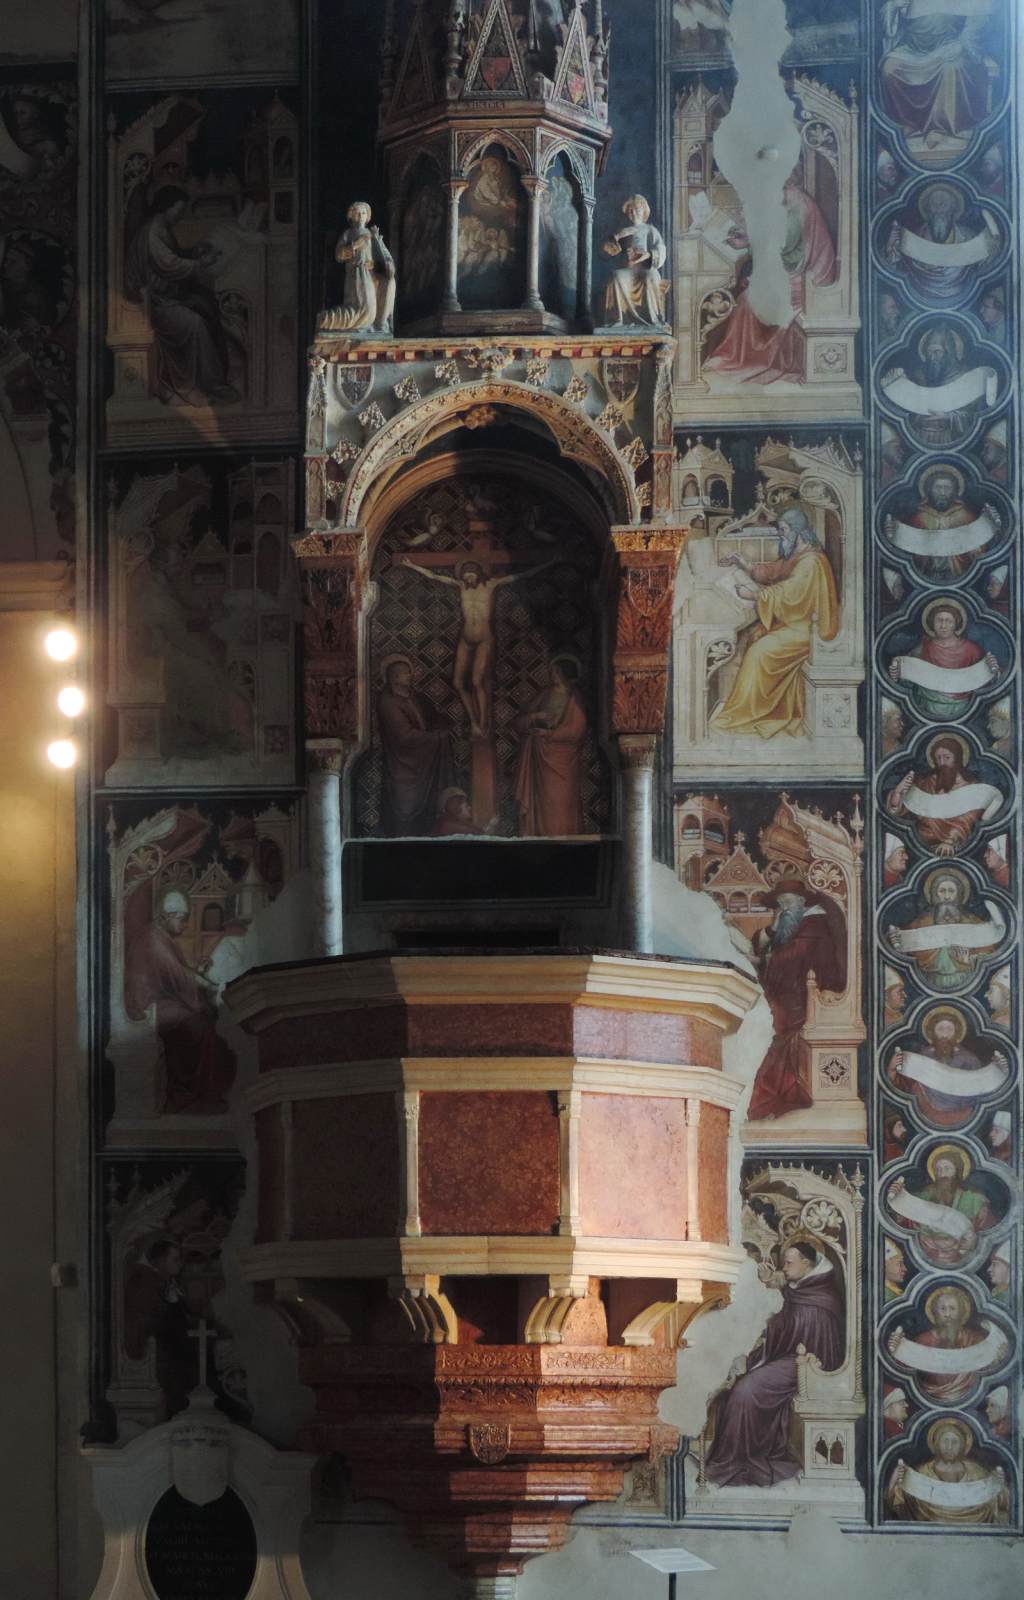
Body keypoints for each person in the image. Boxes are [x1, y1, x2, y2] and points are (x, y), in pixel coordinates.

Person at [704, 1241, 844, 1487]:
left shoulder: (819, 1297)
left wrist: (766, 1325)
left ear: (807, 1263)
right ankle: (730, 1455)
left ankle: (736, 1460)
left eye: (789, 1263)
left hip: (806, 1366)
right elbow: (785, 1309)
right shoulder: (801, 1286)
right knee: (733, 1377)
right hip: (787, 1356)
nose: (785, 1268)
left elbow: (800, 1335)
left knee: (745, 1392)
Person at [711, 507, 839, 739]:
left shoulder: (811, 561)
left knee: (759, 652)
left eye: (783, 530)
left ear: (798, 531)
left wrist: (755, 596)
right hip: (794, 624)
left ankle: (748, 713)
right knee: (756, 636)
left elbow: (790, 593)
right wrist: (745, 565)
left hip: (809, 632)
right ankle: (755, 709)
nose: (781, 535)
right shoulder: (797, 555)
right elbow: (773, 571)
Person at [704, 178, 836, 385]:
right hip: (794, 272)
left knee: (748, 301)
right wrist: (749, 240)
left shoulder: (799, 205)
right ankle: (734, 356)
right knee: (746, 292)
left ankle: (744, 360)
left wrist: (751, 243)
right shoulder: (785, 200)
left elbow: (787, 251)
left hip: (810, 279)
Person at [403, 555, 553, 736]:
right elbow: (434, 576)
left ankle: (482, 724)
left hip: (484, 639)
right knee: (457, 682)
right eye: (465, 575)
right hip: (465, 639)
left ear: (479, 573)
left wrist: (548, 562)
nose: (468, 578)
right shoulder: (460, 586)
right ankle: (473, 722)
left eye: (471, 574)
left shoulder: (490, 585)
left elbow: (521, 575)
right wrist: (411, 565)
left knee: (476, 681)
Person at [124, 186, 240, 406]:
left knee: (207, 307)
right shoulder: (153, 231)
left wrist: (193, 251)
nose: (180, 215)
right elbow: (170, 265)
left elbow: (172, 257)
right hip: (154, 304)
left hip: (167, 298)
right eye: (178, 210)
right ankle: (206, 385)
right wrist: (200, 263)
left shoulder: (160, 227)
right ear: (166, 208)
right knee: (195, 324)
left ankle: (214, 380)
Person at [123, 888, 236, 1114]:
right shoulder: (153, 940)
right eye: (182, 919)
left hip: (160, 1003)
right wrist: (211, 989)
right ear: (167, 916)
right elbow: (179, 978)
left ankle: (196, 1093)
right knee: (198, 1027)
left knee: (199, 1020)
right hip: (148, 1009)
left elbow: (178, 974)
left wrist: (198, 973)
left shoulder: (157, 936)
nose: (185, 925)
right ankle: (188, 1096)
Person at [747, 879, 846, 1121]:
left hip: (807, 1002)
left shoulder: (813, 924)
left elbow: (790, 958)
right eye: (780, 905)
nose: (784, 910)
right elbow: (771, 944)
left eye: (788, 903)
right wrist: (773, 929)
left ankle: (781, 1096)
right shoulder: (795, 923)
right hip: (793, 997)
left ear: (802, 902)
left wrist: (767, 961)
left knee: (780, 1043)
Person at [879, 1, 996, 149]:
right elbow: (890, 27)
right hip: (912, 46)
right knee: (889, 69)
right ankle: (907, 123)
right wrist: (893, 6)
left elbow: (979, 18)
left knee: (951, 68)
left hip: (948, 43)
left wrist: (961, 44)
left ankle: (940, 128)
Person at [889, 1005, 1007, 1129]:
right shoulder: (922, 1057)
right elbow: (902, 1086)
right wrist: (892, 1068)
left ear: (956, 1032)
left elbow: (982, 1088)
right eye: (940, 1029)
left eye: (949, 1029)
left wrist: (999, 1071)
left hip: (963, 1116)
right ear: (932, 1032)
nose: (945, 1034)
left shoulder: (969, 1059)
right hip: (925, 1117)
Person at [888, 868, 1002, 993]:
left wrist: (970, 959)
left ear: (959, 894)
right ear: (934, 894)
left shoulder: (973, 922)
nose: (947, 897)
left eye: (951, 891)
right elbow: (903, 948)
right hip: (928, 983)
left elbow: (989, 950)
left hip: (967, 982)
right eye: (942, 891)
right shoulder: (920, 923)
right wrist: (896, 938)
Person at [376, 655, 453, 837]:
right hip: (403, 765)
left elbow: (431, 718)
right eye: (405, 672)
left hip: (422, 762)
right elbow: (404, 736)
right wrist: (435, 738)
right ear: (394, 677)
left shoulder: (414, 697)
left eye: (410, 671)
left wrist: (440, 726)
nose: (410, 675)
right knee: (404, 811)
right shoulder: (388, 702)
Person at [886, 735, 999, 856]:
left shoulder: (972, 788)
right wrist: (898, 792)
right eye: (938, 758)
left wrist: (950, 840)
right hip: (918, 845)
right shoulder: (925, 783)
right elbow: (899, 812)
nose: (942, 763)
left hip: (954, 845)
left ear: (958, 758)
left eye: (947, 757)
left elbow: (967, 820)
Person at [514, 656, 588, 837]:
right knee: (542, 802)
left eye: (556, 672)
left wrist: (549, 734)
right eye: (551, 672)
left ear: (566, 673)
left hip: (563, 760)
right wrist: (535, 717)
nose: (553, 675)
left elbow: (576, 730)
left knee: (559, 804)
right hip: (540, 756)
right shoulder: (545, 694)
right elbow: (519, 723)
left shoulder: (574, 697)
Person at [888, 1285, 999, 1406]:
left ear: (962, 1312)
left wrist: (997, 1358)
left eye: (952, 1308)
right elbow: (906, 1367)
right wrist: (896, 1350)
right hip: (928, 1400)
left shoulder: (975, 1340)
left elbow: (988, 1368)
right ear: (934, 1312)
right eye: (942, 1308)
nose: (947, 1314)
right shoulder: (922, 1340)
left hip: (969, 1400)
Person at [889, 599, 999, 720]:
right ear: (932, 623)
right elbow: (907, 679)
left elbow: (985, 681)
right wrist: (897, 674)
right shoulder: (922, 648)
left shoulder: (972, 650)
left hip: (962, 709)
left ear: (956, 623)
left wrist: (992, 671)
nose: (943, 626)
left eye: (949, 621)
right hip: (926, 707)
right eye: (939, 620)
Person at [887, 1145, 994, 1267]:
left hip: (966, 1261)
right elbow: (904, 1220)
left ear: (958, 1171)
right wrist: (897, 1198)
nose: (942, 1174)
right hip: (924, 1258)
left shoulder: (975, 1200)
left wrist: (973, 1241)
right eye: (938, 1169)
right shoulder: (922, 1197)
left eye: (947, 1168)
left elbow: (987, 1232)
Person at [885, 185, 996, 303]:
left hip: (961, 299)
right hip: (922, 298)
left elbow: (985, 266)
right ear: (927, 210)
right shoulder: (914, 239)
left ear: (954, 210)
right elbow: (895, 267)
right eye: (935, 203)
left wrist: (992, 248)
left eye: (944, 203)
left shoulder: (969, 237)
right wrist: (891, 249)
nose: (939, 208)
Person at [887, 1420, 1008, 1525]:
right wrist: (897, 1481)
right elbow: (901, 1508)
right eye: (945, 1441)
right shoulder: (923, 1472)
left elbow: (999, 1504)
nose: (949, 1447)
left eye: (955, 1442)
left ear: (963, 1445)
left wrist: (999, 1486)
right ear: (936, 1444)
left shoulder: (977, 1472)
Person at [886, 466, 995, 579]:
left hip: (959, 577)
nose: (942, 492)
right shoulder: (918, 518)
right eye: (938, 488)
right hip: (926, 577)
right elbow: (905, 552)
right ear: (929, 490)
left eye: (947, 488)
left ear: (955, 491)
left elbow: (981, 552)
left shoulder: (966, 516)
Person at [602, 194, 669, 328]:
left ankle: (653, 319)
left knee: (649, 277)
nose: (634, 213)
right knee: (616, 276)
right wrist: (616, 238)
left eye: (637, 209)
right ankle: (617, 320)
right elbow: (609, 251)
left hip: (646, 269)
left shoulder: (650, 230)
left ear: (644, 211)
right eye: (630, 210)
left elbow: (661, 250)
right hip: (630, 270)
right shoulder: (624, 231)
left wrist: (647, 255)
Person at [328, 201, 395, 334]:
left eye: (363, 213)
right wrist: (354, 246)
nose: (361, 216)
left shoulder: (372, 234)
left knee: (374, 303)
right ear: (351, 216)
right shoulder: (348, 233)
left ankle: (377, 325)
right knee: (363, 306)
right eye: (357, 213)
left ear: (368, 216)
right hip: (356, 274)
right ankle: (358, 326)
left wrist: (378, 265)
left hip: (371, 274)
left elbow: (386, 256)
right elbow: (339, 255)